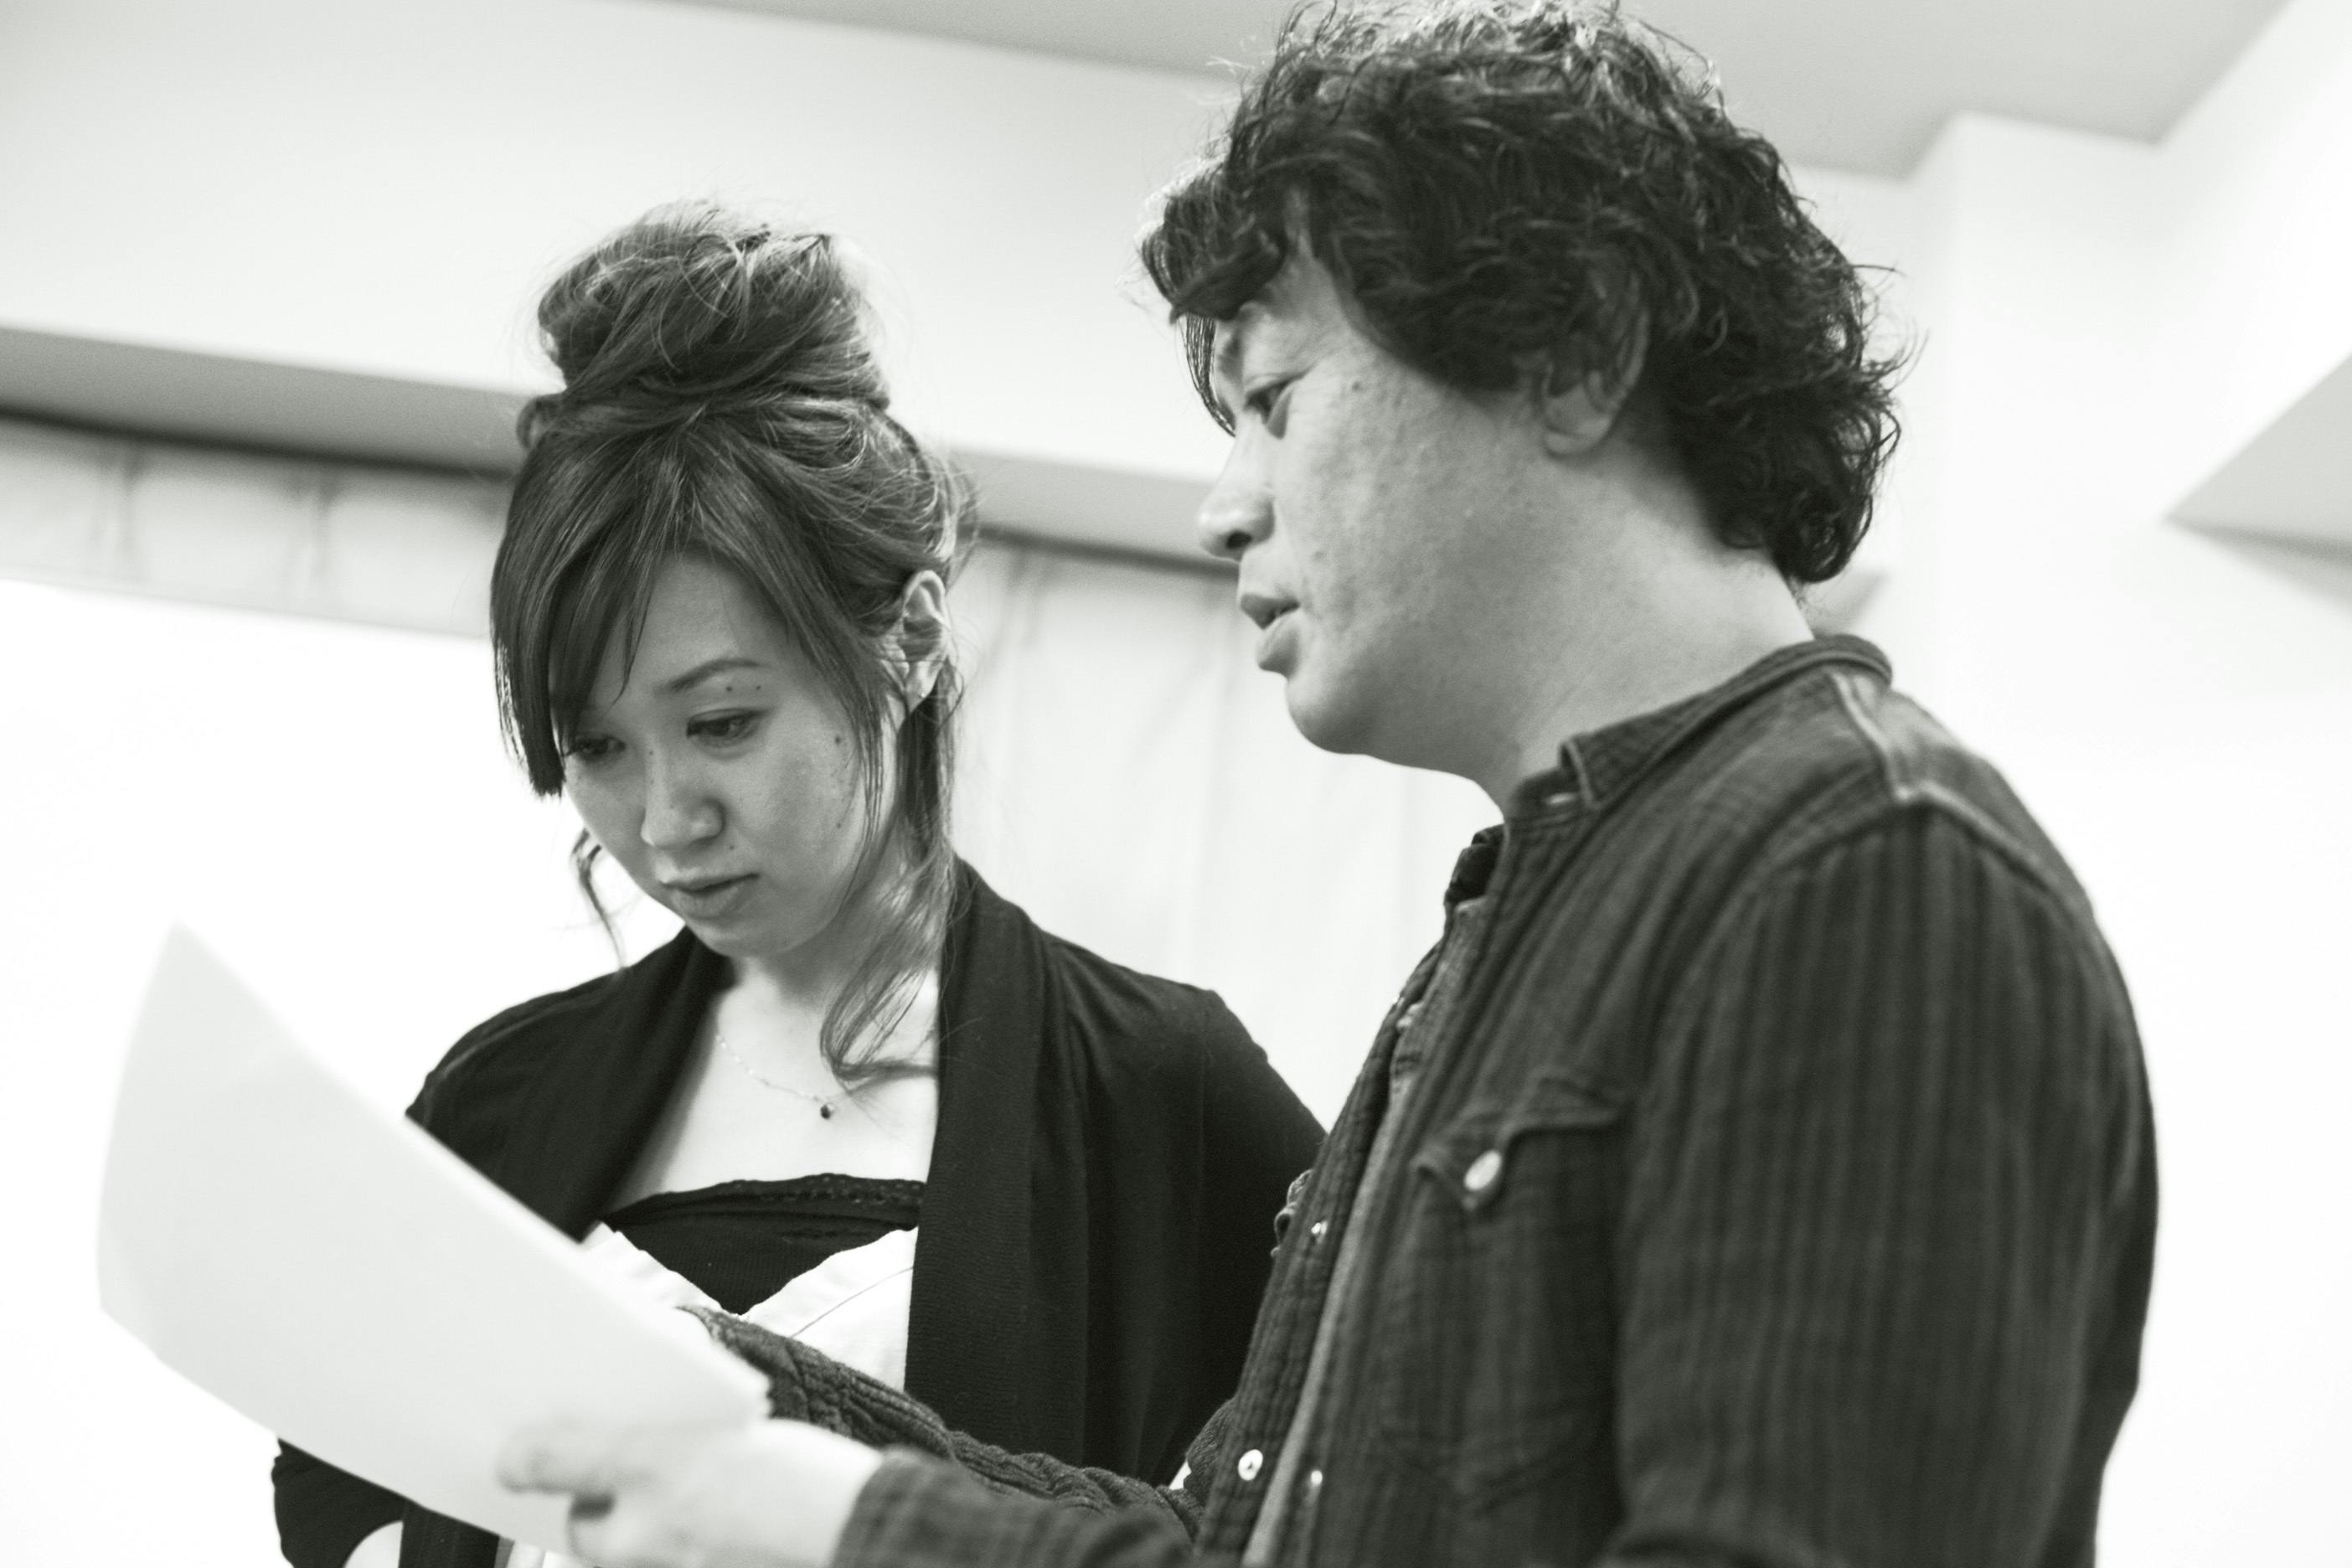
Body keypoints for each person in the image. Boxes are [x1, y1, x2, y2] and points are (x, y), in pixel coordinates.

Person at [495, 6, 2159, 1566]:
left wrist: (848, 1526)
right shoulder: (1519, 933)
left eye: (1276, 403)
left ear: (1573, 355)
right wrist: (781, 1450)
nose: (1225, 505)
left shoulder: (1860, 871)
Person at [268, 205, 1325, 1568]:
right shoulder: (499, 1100)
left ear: (910, 638)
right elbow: (333, 1477)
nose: (667, 822)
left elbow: (1324, 1509)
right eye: (597, 748)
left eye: (722, 723)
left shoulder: (1160, 1089)